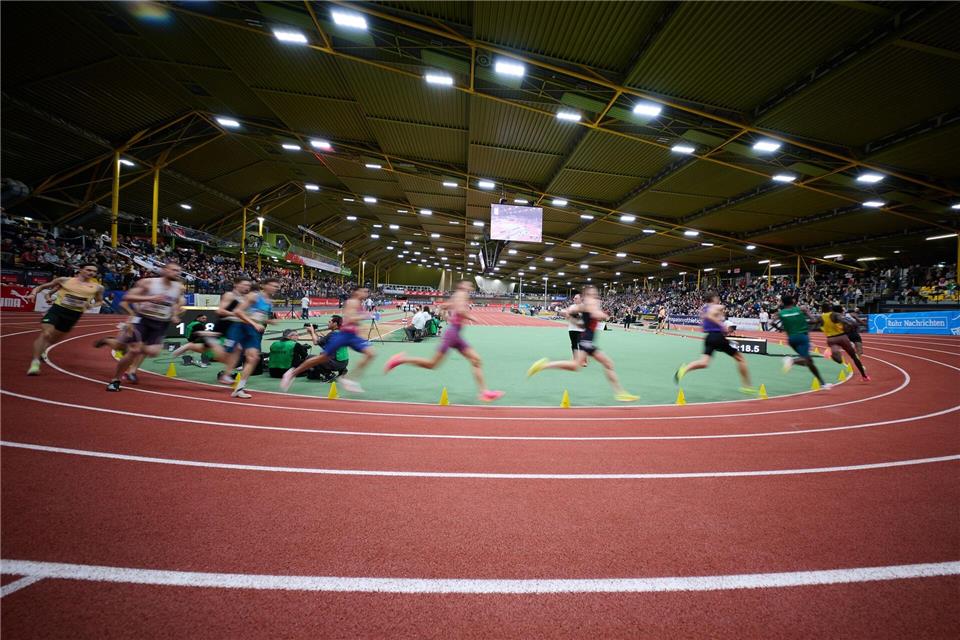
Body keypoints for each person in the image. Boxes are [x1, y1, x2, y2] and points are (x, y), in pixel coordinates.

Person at [384, 280, 504, 402]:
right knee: (432, 364)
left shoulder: (457, 295)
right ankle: (400, 360)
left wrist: (446, 313)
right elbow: (460, 311)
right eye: (468, 284)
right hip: (452, 334)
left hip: (455, 334)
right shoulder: (462, 294)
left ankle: (484, 392)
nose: (471, 286)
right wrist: (471, 317)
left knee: (476, 360)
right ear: (461, 285)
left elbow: (444, 306)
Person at [526, 285, 638, 402]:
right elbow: (596, 314)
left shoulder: (585, 305)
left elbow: (577, 318)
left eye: (595, 293)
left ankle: (620, 393)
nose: (595, 295)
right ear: (587, 295)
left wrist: (571, 317)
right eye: (592, 293)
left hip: (587, 339)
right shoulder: (590, 303)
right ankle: (543, 366)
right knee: (582, 365)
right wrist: (603, 315)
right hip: (587, 341)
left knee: (596, 365)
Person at [100, 261, 184, 392]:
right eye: (173, 270)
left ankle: (129, 346)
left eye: (179, 271)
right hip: (143, 320)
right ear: (164, 270)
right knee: (134, 350)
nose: (177, 273)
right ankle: (115, 380)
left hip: (161, 323)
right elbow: (128, 297)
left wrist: (174, 314)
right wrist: (150, 298)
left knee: (153, 352)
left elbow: (176, 303)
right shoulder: (148, 283)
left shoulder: (179, 288)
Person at [280, 286, 376, 393]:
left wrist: (361, 329)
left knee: (371, 354)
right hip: (344, 335)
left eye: (367, 291)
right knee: (323, 358)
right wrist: (366, 315)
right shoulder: (351, 302)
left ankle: (349, 380)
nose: (366, 293)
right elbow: (350, 318)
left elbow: (355, 322)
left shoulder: (359, 304)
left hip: (352, 336)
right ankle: (292, 373)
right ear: (356, 292)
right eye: (364, 291)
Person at [25, 263, 104, 375]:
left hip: (74, 315)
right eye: (88, 270)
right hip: (57, 310)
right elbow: (41, 287)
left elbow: (99, 301)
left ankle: (42, 351)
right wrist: (33, 294)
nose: (91, 273)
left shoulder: (98, 287)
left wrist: (91, 305)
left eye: (94, 271)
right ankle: (35, 363)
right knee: (46, 334)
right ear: (80, 270)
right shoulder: (65, 280)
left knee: (53, 340)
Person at [169, 277, 251, 383]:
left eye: (248, 285)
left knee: (237, 349)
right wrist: (236, 314)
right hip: (222, 328)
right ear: (236, 284)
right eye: (244, 284)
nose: (247, 287)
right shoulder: (230, 295)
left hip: (233, 330)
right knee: (216, 353)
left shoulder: (244, 299)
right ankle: (191, 345)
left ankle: (226, 375)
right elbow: (219, 311)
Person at [674, 292, 755, 394]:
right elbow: (712, 314)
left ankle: (684, 369)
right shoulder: (715, 307)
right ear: (713, 299)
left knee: (704, 363)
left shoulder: (703, 309)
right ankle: (747, 387)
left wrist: (718, 318)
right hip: (718, 337)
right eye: (717, 298)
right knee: (740, 359)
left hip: (709, 337)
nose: (719, 299)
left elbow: (705, 320)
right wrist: (721, 325)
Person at [223, 278, 280, 398]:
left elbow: (258, 317)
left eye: (277, 286)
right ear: (264, 285)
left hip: (252, 330)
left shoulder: (269, 302)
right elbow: (238, 311)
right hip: (240, 327)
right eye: (273, 285)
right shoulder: (254, 296)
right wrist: (254, 323)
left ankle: (239, 389)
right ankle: (226, 374)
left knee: (254, 358)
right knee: (227, 353)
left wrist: (268, 321)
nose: (275, 288)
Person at [774, 295, 828, 388]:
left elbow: (772, 323)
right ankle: (791, 361)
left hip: (791, 339)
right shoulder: (801, 309)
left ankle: (823, 383)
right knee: (806, 359)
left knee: (809, 361)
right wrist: (804, 321)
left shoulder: (780, 313)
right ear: (793, 301)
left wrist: (781, 329)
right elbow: (814, 320)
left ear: (783, 303)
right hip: (802, 337)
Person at [816, 303, 869, 381]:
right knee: (854, 357)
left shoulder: (820, 317)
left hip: (831, 339)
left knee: (839, 361)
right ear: (830, 308)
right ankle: (864, 376)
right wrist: (849, 324)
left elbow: (813, 322)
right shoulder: (834, 314)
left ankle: (833, 354)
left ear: (822, 309)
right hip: (842, 337)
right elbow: (844, 321)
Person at [305, 316, 349, 382]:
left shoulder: (332, 334)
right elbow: (323, 344)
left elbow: (315, 342)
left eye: (329, 322)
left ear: (335, 323)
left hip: (336, 364)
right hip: (344, 363)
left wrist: (312, 331)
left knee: (310, 357)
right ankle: (342, 370)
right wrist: (313, 333)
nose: (328, 323)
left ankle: (328, 375)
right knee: (325, 353)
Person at [566, 294, 587, 368]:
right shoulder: (571, 307)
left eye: (576, 298)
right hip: (572, 329)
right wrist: (569, 315)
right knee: (573, 344)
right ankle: (575, 359)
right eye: (574, 298)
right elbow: (567, 317)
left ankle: (583, 360)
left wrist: (577, 315)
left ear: (581, 299)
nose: (574, 299)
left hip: (581, 329)